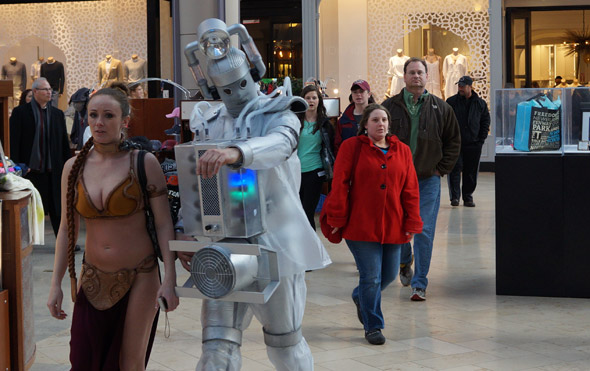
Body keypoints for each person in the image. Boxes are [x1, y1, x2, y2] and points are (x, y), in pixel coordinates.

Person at [179, 18, 331, 370]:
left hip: (275, 245)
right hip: (225, 244)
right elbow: (198, 176)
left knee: (285, 344)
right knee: (216, 347)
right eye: (225, 88)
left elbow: (279, 145)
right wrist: (187, 225)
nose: (235, 93)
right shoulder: (210, 119)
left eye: (240, 84)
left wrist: (236, 152)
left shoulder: (282, 112)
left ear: (254, 73)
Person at [46, 87, 179, 369]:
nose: (99, 122)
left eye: (108, 115)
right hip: (92, 275)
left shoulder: (144, 163)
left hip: (141, 276)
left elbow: (164, 223)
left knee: (129, 363)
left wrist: (170, 279)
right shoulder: (73, 167)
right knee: (82, 360)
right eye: (93, 115)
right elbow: (66, 230)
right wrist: (55, 284)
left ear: (125, 121)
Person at [323, 104, 422, 345]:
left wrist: (412, 220)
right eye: (375, 120)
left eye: (384, 120)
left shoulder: (403, 151)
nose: (380, 124)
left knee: (387, 275)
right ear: (365, 124)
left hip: (393, 224)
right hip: (360, 225)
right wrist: (336, 217)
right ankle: (373, 326)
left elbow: (410, 189)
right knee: (372, 277)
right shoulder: (351, 147)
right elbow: (340, 183)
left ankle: (360, 297)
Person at [382, 57, 460, 301]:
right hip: (397, 180)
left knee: (424, 230)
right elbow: (377, 138)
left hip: (428, 180)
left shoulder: (441, 108)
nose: (416, 76)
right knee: (400, 226)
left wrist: (441, 169)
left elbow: (453, 142)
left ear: (427, 77)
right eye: (412, 73)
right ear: (404, 77)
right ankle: (405, 261)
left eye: (420, 73)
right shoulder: (389, 107)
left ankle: (420, 283)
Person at [10, 77, 71, 236]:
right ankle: (25, 240)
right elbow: (14, 141)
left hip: (53, 169)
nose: (49, 92)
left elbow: (64, 142)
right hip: (31, 170)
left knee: (57, 207)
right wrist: (17, 166)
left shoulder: (57, 114)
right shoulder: (21, 113)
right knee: (30, 207)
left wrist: (66, 166)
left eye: (51, 89)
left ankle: (62, 238)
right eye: (46, 89)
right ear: (35, 91)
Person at [446, 76, 490, 207]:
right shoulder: (451, 102)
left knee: (471, 171)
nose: (460, 88)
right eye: (459, 85)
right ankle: (455, 197)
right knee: (454, 170)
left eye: (463, 86)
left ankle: (468, 196)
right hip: (455, 143)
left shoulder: (480, 103)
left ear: (470, 87)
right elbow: (445, 121)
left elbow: (485, 121)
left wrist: (480, 140)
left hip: (473, 143)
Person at [297, 84, 335, 229]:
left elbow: (330, 148)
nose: (311, 101)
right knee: (297, 212)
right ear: (303, 100)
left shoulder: (325, 124)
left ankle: (311, 247)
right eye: (308, 98)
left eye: (314, 98)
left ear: (319, 100)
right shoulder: (295, 121)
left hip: (315, 171)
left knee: (307, 212)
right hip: (296, 171)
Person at [334, 79, 374, 153]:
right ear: (352, 95)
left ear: (369, 94)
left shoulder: (377, 116)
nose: (358, 95)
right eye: (355, 92)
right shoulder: (343, 120)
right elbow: (337, 145)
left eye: (361, 91)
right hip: (350, 160)